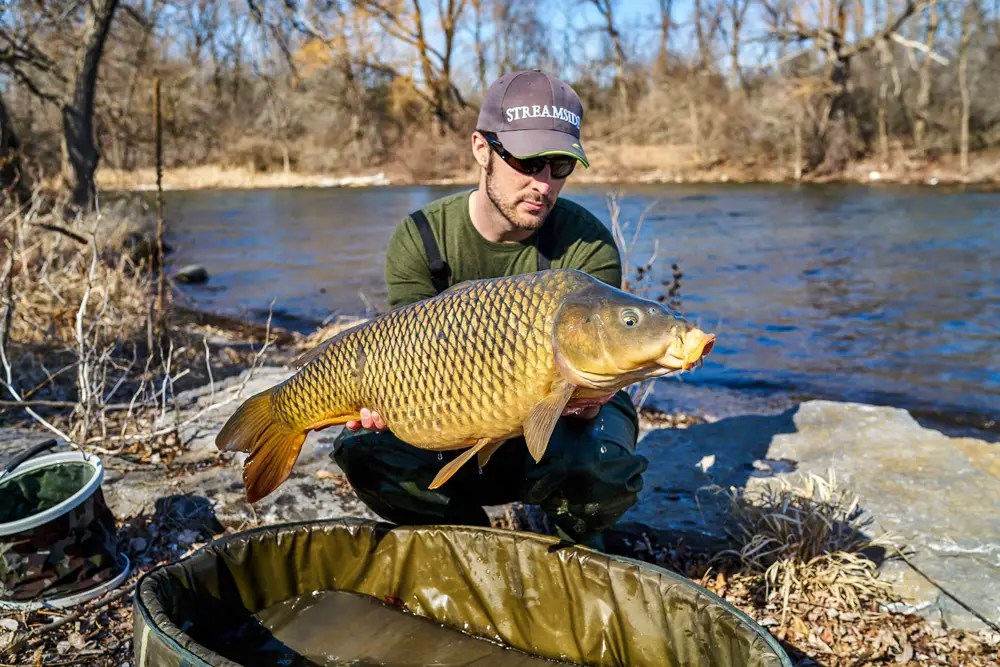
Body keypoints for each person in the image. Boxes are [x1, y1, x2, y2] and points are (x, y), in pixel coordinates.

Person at [331, 70, 647, 550]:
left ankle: (576, 545)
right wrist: (386, 402)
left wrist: (590, 399)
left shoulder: (588, 245)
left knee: (598, 459)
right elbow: (408, 365)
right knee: (363, 450)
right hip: (453, 412)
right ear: (482, 148)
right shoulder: (422, 238)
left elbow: (598, 370)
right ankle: (472, 543)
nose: (543, 184)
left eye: (560, 165)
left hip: (562, 417)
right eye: (527, 161)